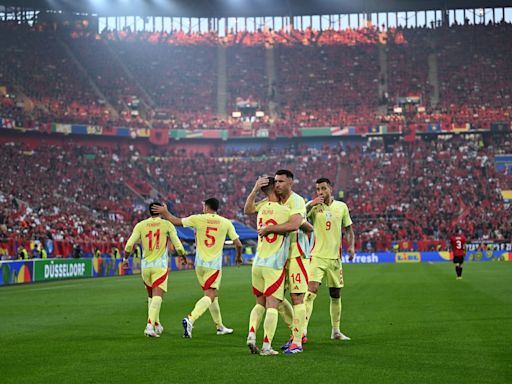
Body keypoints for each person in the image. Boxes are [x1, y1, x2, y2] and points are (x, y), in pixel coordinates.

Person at [152, 198, 243, 338]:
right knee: (210, 295)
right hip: (213, 265)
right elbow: (238, 244)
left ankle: (219, 326)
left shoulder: (197, 219)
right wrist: (238, 257)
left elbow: (175, 221)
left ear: (207, 207)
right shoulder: (225, 222)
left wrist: (165, 212)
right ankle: (190, 319)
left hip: (199, 264)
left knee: (213, 296)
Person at [245, 176, 313, 355]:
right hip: (277, 261)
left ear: (290, 182)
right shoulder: (278, 206)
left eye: (281, 181)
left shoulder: (295, 200)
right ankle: (292, 334)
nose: (278, 184)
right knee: (276, 302)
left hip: (294, 255)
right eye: (276, 182)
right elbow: (300, 225)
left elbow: (297, 223)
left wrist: (269, 228)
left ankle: (297, 340)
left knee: (296, 298)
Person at [303, 177, 355, 341]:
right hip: (316, 256)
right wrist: (310, 204)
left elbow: (348, 229)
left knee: (335, 294)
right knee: (311, 293)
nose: (320, 192)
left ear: (331, 188)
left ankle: (336, 331)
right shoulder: (313, 207)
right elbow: (298, 216)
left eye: (323, 188)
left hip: (334, 258)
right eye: (318, 189)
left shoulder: (341, 207)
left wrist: (351, 246)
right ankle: (301, 331)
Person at [124, 202, 186, 338]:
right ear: (161, 211)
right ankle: (149, 326)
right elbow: (178, 245)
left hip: (145, 266)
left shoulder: (141, 225)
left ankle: (157, 324)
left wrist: (125, 259)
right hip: (159, 266)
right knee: (158, 296)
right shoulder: (167, 225)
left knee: (151, 296)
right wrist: (182, 256)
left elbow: (129, 244)